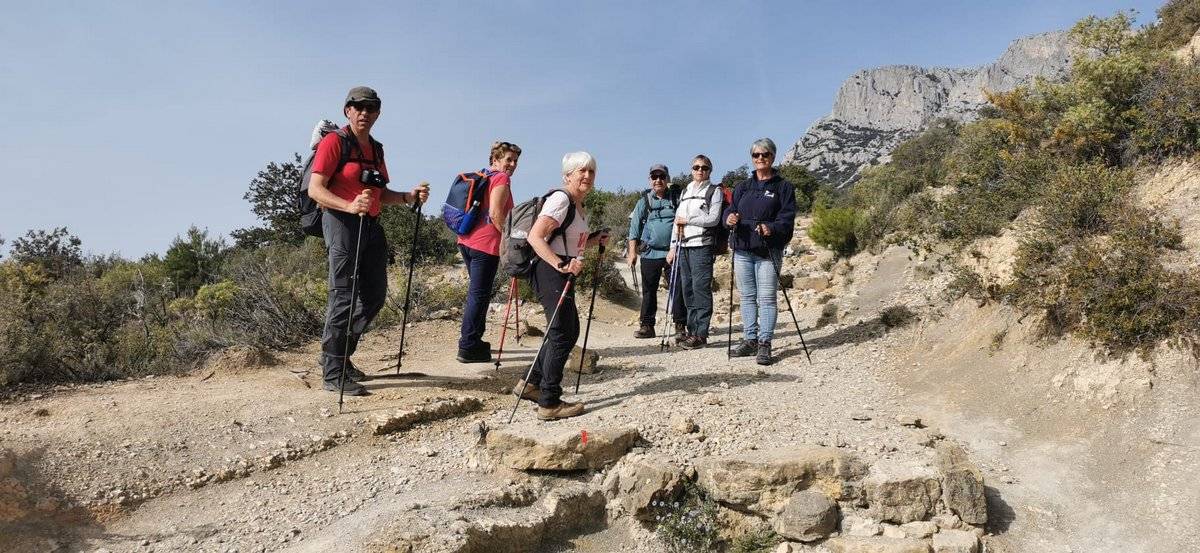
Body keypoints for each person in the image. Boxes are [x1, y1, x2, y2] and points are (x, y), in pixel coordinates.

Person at [307, 86, 431, 395]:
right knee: (343, 296)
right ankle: (333, 372)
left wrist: (406, 197)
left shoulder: (376, 149)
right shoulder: (335, 142)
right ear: (347, 110)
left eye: (371, 108)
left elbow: (380, 193)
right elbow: (316, 189)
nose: (364, 112)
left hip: (371, 223)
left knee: (375, 295)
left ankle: (340, 357)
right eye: (358, 107)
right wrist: (348, 205)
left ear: (378, 113)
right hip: (341, 222)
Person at [516, 151, 609, 420]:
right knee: (563, 332)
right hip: (550, 270)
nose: (587, 176)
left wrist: (594, 240)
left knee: (564, 330)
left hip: (560, 270)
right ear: (567, 175)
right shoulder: (561, 199)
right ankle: (549, 402)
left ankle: (530, 383)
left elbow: (569, 242)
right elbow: (536, 237)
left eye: (591, 171)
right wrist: (560, 264)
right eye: (581, 171)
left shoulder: (577, 205)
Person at [722, 138, 796, 365]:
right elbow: (730, 211)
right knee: (747, 297)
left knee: (766, 298)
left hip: (768, 250)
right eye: (756, 155)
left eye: (765, 154)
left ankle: (765, 343)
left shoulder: (783, 187)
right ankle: (750, 339)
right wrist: (729, 219)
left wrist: (770, 228)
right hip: (743, 249)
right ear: (752, 158)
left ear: (773, 157)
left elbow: (787, 219)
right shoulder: (742, 187)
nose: (760, 158)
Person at [456, 141, 521, 363]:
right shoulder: (501, 178)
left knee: (477, 293)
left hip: (466, 240)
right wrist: (509, 239)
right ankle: (468, 345)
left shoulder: (485, 175)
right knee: (479, 294)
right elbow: (495, 213)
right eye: (508, 160)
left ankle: (474, 340)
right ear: (495, 160)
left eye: (515, 161)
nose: (512, 164)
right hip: (486, 245)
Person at [668, 155, 724, 349]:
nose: (700, 170)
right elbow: (677, 221)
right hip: (683, 246)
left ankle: (701, 334)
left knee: (701, 288)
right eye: (696, 167)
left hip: (702, 245)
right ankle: (691, 331)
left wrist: (689, 219)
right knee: (687, 290)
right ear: (691, 169)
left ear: (710, 171)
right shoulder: (685, 191)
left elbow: (713, 219)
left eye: (705, 168)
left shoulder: (714, 191)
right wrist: (672, 246)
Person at [626, 164, 685, 339]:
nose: (658, 180)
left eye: (661, 176)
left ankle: (680, 325)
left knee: (677, 289)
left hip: (672, 252)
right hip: (650, 253)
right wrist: (632, 253)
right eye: (654, 177)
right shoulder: (644, 201)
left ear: (667, 179)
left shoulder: (676, 198)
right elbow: (634, 228)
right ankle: (647, 326)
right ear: (650, 179)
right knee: (649, 290)